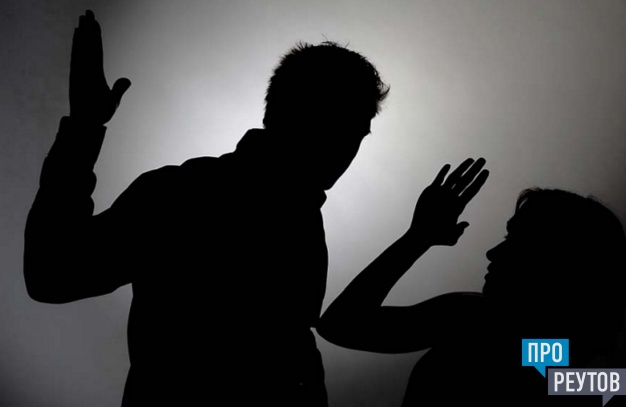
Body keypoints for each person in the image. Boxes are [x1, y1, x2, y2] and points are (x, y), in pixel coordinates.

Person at [24, 10, 389, 406]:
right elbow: (52, 275)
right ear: (288, 113)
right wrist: (82, 129)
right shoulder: (185, 195)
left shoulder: (299, 219)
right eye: (337, 124)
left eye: (356, 133)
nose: (346, 147)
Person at [317, 161, 626, 406]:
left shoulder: (477, 324)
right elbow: (339, 326)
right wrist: (418, 237)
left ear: (556, 260)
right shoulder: (479, 324)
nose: (493, 252)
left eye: (517, 240)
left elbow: (341, 325)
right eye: (507, 236)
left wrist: (418, 239)